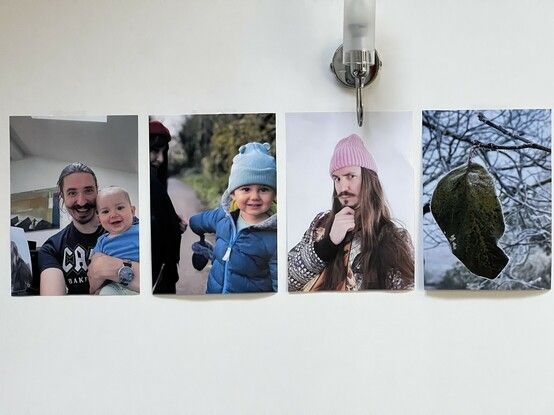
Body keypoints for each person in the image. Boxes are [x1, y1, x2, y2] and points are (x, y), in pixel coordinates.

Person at [288, 134, 414, 291]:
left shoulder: (395, 238)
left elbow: (407, 300)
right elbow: (284, 280)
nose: (343, 188)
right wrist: (327, 245)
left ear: (369, 179)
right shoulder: (319, 225)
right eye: (337, 179)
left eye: (350, 176)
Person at [188, 142, 277, 294]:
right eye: (246, 189)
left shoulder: (274, 238)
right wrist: (196, 230)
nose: (254, 197)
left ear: (274, 194)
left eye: (263, 189)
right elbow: (197, 221)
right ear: (233, 194)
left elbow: (277, 284)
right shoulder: (222, 216)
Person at [38, 162, 140, 295]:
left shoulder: (130, 226)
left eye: (88, 190)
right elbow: (52, 304)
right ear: (62, 197)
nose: (81, 201)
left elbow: (159, 279)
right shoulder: (51, 248)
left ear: (97, 191)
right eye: (72, 193)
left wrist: (106, 267)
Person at [149, 120, 185, 294]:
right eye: (155, 151)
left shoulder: (155, 182)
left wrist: (172, 221)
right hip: (158, 277)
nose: (161, 159)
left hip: (164, 274)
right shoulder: (149, 181)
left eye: (163, 152)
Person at [89, 186, 139, 295]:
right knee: (104, 293)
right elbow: (94, 268)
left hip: (138, 282)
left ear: (132, 211)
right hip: (114, 285)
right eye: (106, 211)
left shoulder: (141, 230)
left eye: (120, 208)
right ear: (99, 218)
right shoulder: (102, 241)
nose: (113, 214)